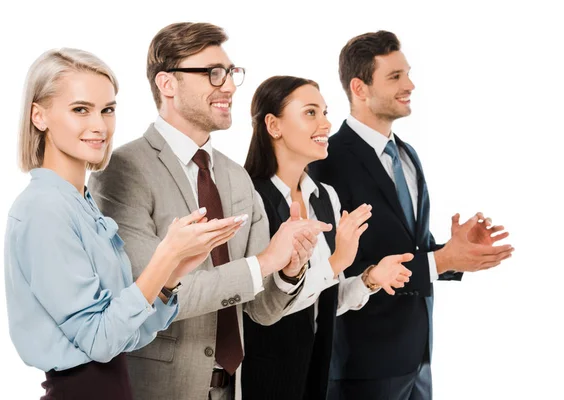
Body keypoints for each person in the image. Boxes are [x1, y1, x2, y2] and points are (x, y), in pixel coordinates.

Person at [88, 23, 331, 400]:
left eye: (232, 73)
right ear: (167, 84)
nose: (230, 86)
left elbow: (263, 310)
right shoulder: (123, 170)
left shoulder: (235, 177)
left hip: (231, 389)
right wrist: (266, 261)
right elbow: (149, 293)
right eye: (213, 73)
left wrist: (289, 267)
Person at [5, 48, 245, 400]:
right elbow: (99, 341)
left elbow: (129, 334)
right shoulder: (44, 209)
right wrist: (164, 257)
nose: (100, 125)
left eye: (108, 110)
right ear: (39, 116)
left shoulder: (81, 205)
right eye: (80, 110)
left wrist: (171, 275)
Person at [309, 31, 514, 400]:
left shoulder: (406, 154)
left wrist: (454, 253)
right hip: (361, 366)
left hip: (418, 359)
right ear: (360, 88)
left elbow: (405, 246)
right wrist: (439, 260)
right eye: (395, 77)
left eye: (408, 74)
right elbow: (329, 272)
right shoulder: (327, 162)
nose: (410, 85)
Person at [241, 75, 414, 400]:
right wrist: (337, 261)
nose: (326, 123)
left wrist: (369, 278)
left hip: (317, 370)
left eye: (325, 112)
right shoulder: (248, 197)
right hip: (264, 376)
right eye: (311, 113)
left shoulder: (325, 197)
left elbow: (321, 300)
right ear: (273, 125)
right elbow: (263, 308)